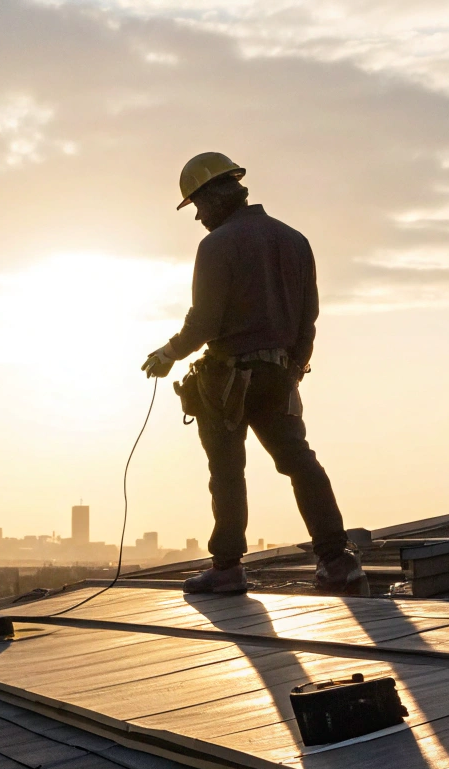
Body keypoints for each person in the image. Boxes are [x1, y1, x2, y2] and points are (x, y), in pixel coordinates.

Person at [141, 153, 363, 595]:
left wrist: (168, 354)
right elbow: (309, 318)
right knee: (299, 461)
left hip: (229, 379)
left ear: (216, 195)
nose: (199, 217)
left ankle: (227, 568)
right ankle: (336, 561)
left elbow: (203, 322)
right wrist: (293, 371)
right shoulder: (295, 241)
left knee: (225, 469)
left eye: (199, 206)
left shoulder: (218, 245)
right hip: (279, 374)